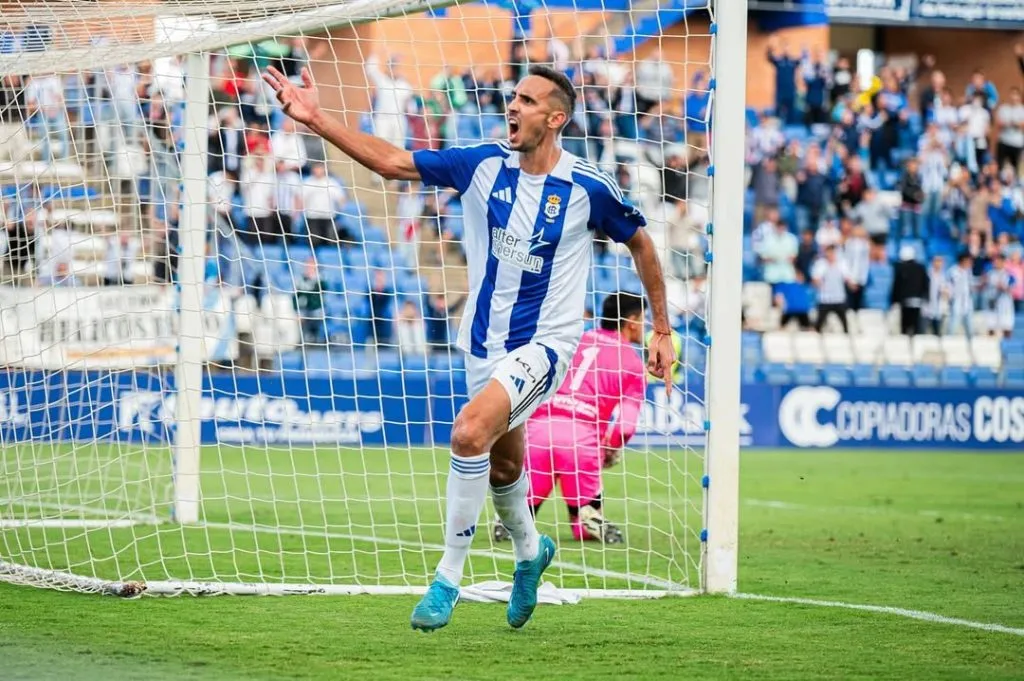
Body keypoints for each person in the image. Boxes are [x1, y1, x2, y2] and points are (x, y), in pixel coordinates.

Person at [262, 64, 675, 631]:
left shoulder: (587, 187)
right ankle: (531, 555)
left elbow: (643, 246)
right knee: (504, 466)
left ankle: (446, 580)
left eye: (528, 101)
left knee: (467, 433)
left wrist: (661, 328)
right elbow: (392, 163)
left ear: (556, 118)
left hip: (547, 346)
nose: (513, 106)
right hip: (482, 346)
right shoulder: (481, 164)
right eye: (513, 97)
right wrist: (315, 119)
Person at [493, 291, 646, 546]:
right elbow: (625, 426)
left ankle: (511, 520)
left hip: (538, 432)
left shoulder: (577, 340)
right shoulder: (632, 362)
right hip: (582, 440)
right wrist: (610, 447)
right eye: (644, 319)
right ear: (631, 321)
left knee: (525, 504)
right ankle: (587, 513)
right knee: (582, 528)